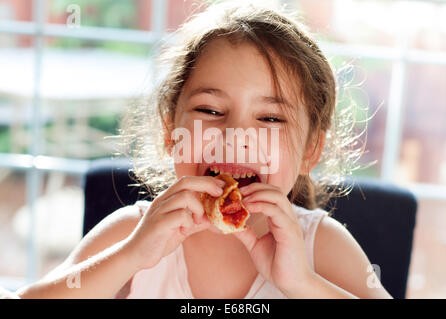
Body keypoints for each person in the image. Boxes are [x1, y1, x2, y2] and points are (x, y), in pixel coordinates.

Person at [16, 1, 391, 299]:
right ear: (170, 130)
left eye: (271, 119)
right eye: (210, 111)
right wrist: (130, 256)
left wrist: (303, 285)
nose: (236, 135)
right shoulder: (133, 232)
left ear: (311, 149)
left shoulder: (321, 245)